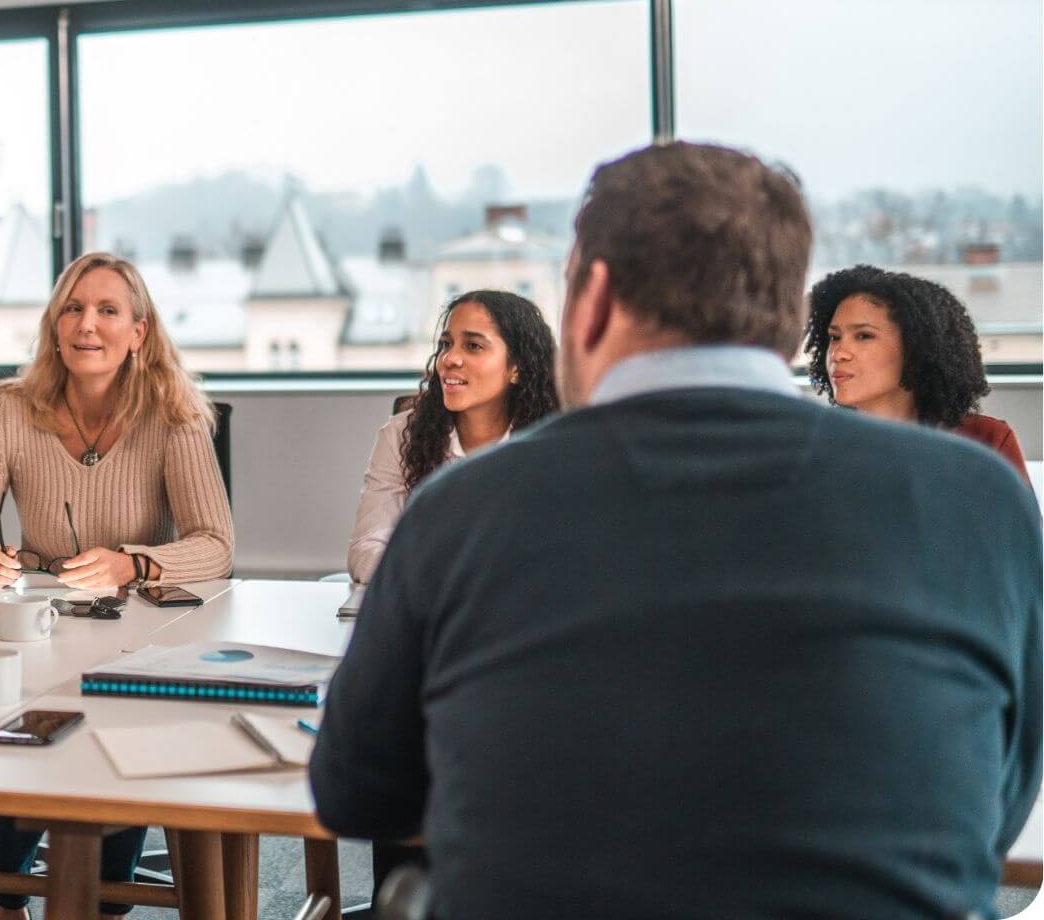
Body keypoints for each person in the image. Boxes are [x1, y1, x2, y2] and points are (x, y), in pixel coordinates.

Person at [310, 143, 1040, 919]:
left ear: (591, 301)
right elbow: (996, 805)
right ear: (792, 316)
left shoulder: (461, 510)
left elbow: (358, 793)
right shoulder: (977, 500)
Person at [0, 251, 233, 920]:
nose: (87, 324)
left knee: (116, 735)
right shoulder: (12, 409)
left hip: (135, 636)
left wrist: (132, 562)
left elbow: (216, 545)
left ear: (139, 332)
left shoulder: (172, 413)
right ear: (53, 324)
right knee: (7, 711)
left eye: (107, 311)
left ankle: (106, 901)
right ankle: (10, 901)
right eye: (73, 307)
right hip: (38, 629)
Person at [345, 290, 558, 582]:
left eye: (473, 346)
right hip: (429, 609)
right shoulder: (401, 435)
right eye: (446, 344)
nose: (449, 359)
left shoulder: (554, 444)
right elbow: (367, 547)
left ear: (516, 368)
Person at [805, 264, 1030, 483]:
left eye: (864, 336)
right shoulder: (811, 450)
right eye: (835, 337)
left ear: (916, 346)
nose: (837, 354)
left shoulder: (987, 441)